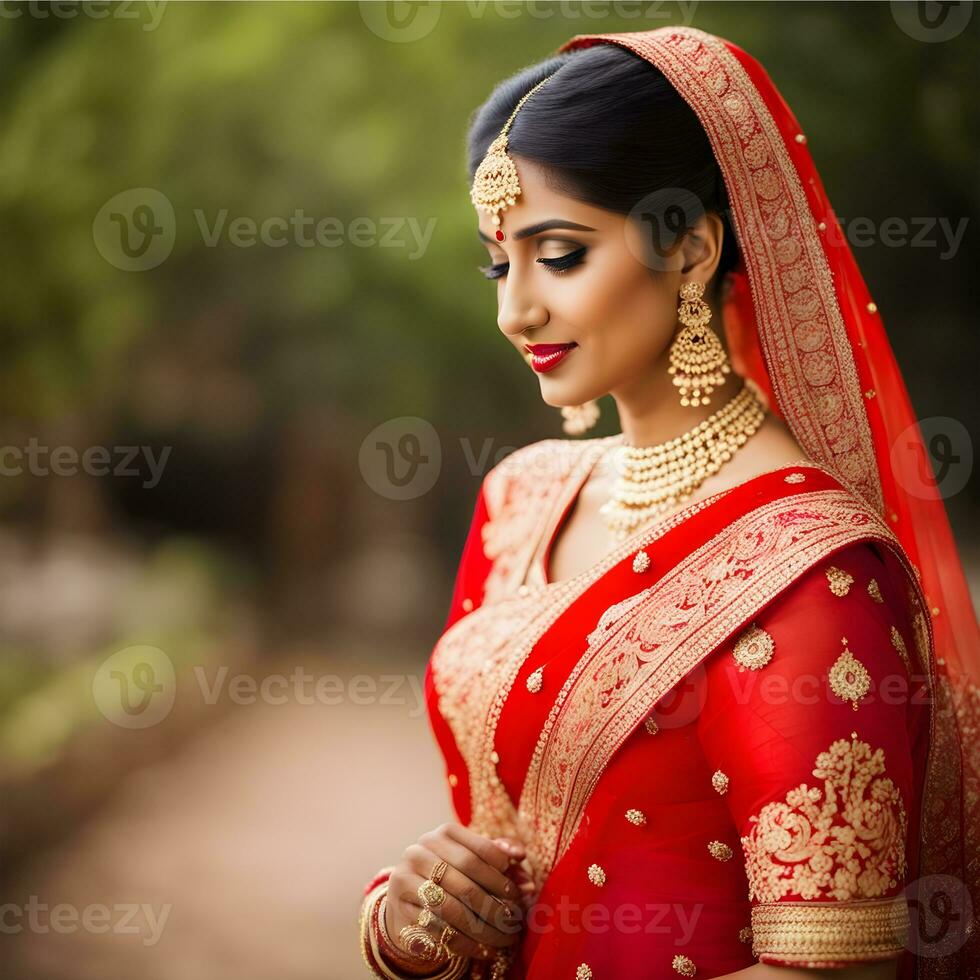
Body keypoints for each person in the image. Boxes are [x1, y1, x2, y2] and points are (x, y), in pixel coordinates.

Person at [358, 26, 978, 980]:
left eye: (558, 255)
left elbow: (837, 971)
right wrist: (417, 921)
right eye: (498, 264)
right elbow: (498, 856)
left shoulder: (810, 572)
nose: (512, 310)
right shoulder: (522, 497)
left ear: (689, 250)